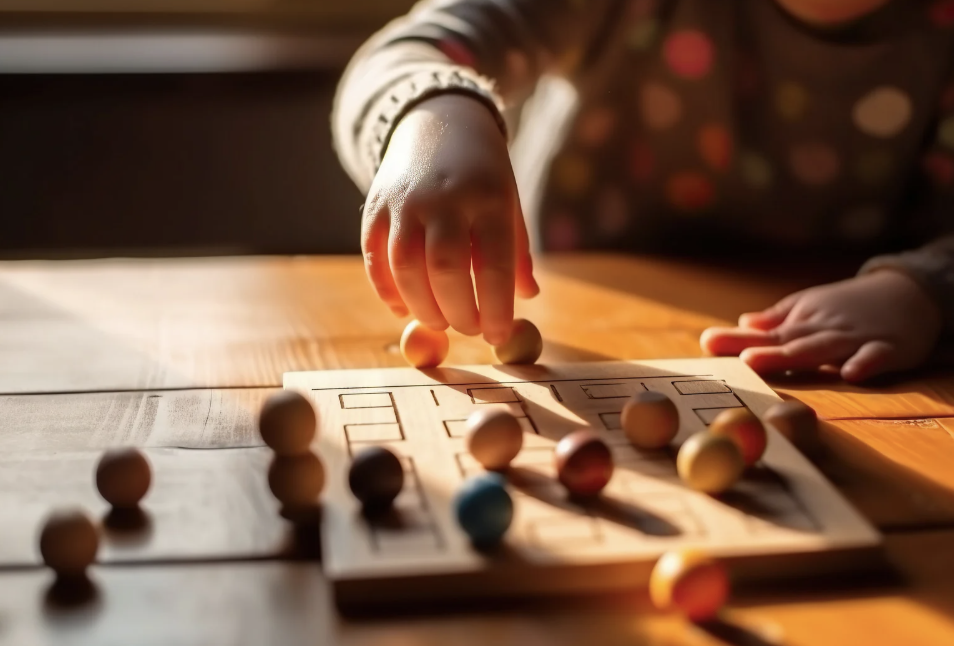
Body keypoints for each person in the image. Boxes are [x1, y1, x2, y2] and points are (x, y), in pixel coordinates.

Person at [332, 0, 954, 382]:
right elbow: (411, 49)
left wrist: (926, 288)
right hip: (584, 338)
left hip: (843, 368)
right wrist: (434, 111)